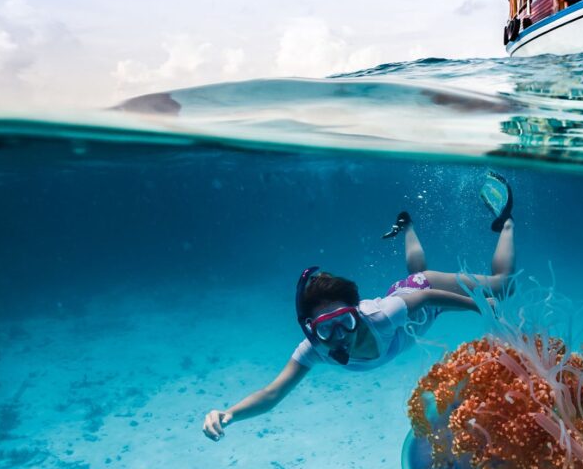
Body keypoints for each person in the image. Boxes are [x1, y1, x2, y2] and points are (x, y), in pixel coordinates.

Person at [201, 172, 517, 442]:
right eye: (327, 327)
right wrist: (228, 414)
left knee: (502, 287)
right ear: (311, 330)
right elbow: (271, 394)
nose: (340, 336)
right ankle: (407, 226)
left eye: (345, 322)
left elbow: (425, 297)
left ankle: (506, 221)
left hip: (420, 292)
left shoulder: (380, 316)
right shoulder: (314, 350)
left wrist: (478, 307)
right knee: (414, 276)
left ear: (357, 314)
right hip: (405, 299)